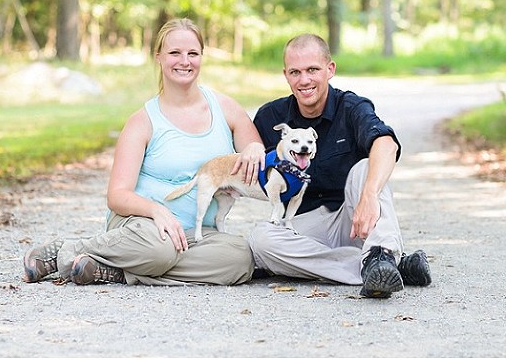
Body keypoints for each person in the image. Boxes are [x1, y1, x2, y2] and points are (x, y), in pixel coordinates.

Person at [23, 18, 265, 286]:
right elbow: (117, 195)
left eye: (193, 53)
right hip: (141, 226)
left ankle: (116, 270)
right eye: (175, 53)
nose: (185, 61)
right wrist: (156, 211)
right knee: (159, 250)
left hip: (196, 235)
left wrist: (255, 148)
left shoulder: (226, 109)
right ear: (158, 56)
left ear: (201, 57)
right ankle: (68, 249)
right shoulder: (143, 121)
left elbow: (256, 154)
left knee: (239, 259)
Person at [248, 33, 432, 298]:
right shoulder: (270, 117)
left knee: (366, 168)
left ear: (330, 69)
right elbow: (245, 161)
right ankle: (383, 266)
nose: (304, 80)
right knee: (260, 241)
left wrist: (369, 195)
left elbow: (387, 144)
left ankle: (380, 253)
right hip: (303, 227)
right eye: (295, 72)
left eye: (312, 70)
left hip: (355, 221)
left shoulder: (351, 107)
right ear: (286, 75)